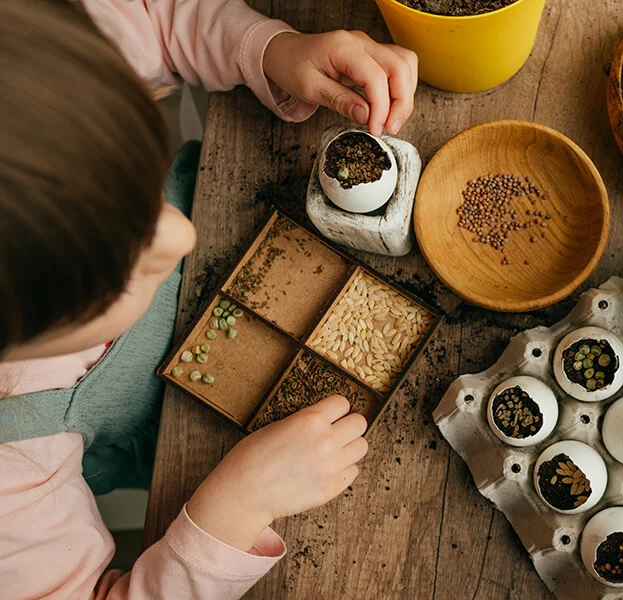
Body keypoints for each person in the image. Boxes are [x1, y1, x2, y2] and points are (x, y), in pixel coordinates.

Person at [0, 0, 417, 597]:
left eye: (141, 186)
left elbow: (157, 19)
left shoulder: (29, 74)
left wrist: (271, 49)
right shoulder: (10, 470)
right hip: (184, 441)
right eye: (123, 269)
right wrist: (238, 506)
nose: (180, 232)